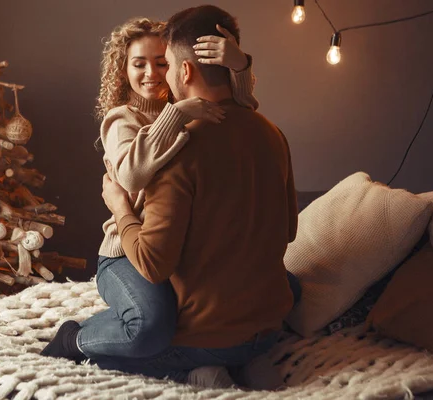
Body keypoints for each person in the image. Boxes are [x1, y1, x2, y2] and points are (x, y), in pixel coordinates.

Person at [48, 4, 299, 386]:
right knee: (152, 324)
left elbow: (239, 106)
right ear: (123, 69)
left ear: (179, 69)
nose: (151, 73)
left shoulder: (196, 119)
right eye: (139, 64)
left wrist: (241, 64)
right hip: (121, 249)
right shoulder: (126, 120)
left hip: (165, 244)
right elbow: (131, 177)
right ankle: (75, 339)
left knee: (284, 283)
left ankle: (225, 353)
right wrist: (119, 205)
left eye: (161, 62)